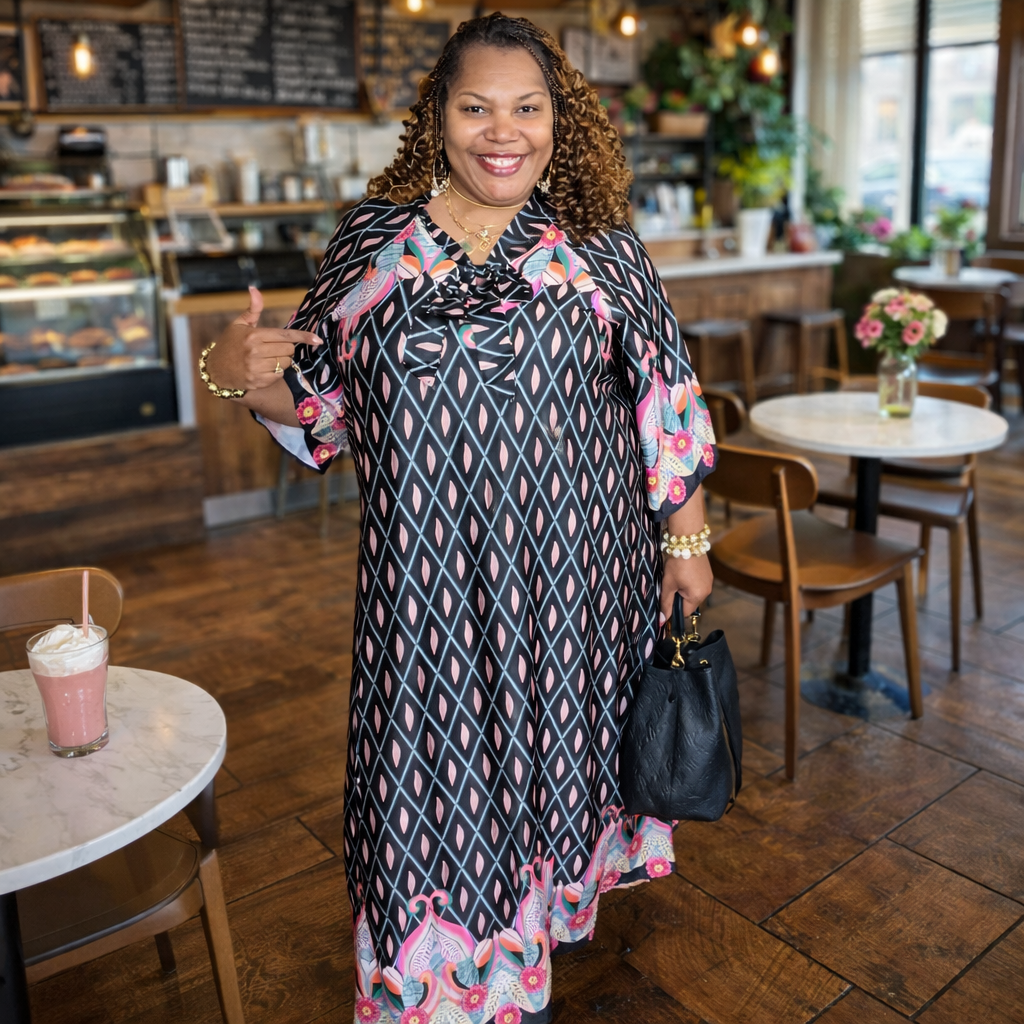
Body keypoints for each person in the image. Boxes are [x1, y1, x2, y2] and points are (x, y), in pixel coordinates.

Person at [202, 14, 716, 1023]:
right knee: (425, 784)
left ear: (558, 122)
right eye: (477, 106)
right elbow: (320, 403)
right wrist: (229, 374)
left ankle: (531, 942)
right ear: (438, 115)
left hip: (580, 583)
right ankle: (441, 977)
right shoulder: (372, 242)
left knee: (564, 761)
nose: (503, 131)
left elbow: (666, 396)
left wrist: (686, 541)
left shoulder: (600, 248)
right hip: (427, 586)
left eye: (527, 108)